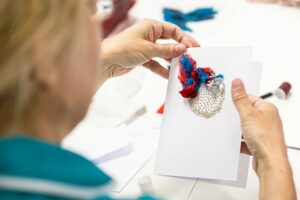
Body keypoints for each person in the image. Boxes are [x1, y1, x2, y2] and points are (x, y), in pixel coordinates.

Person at [0, 0, 296, 199]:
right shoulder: (79, 190)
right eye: (91, 21)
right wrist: (273, 163)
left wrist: (100, 61)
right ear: (45, 59)